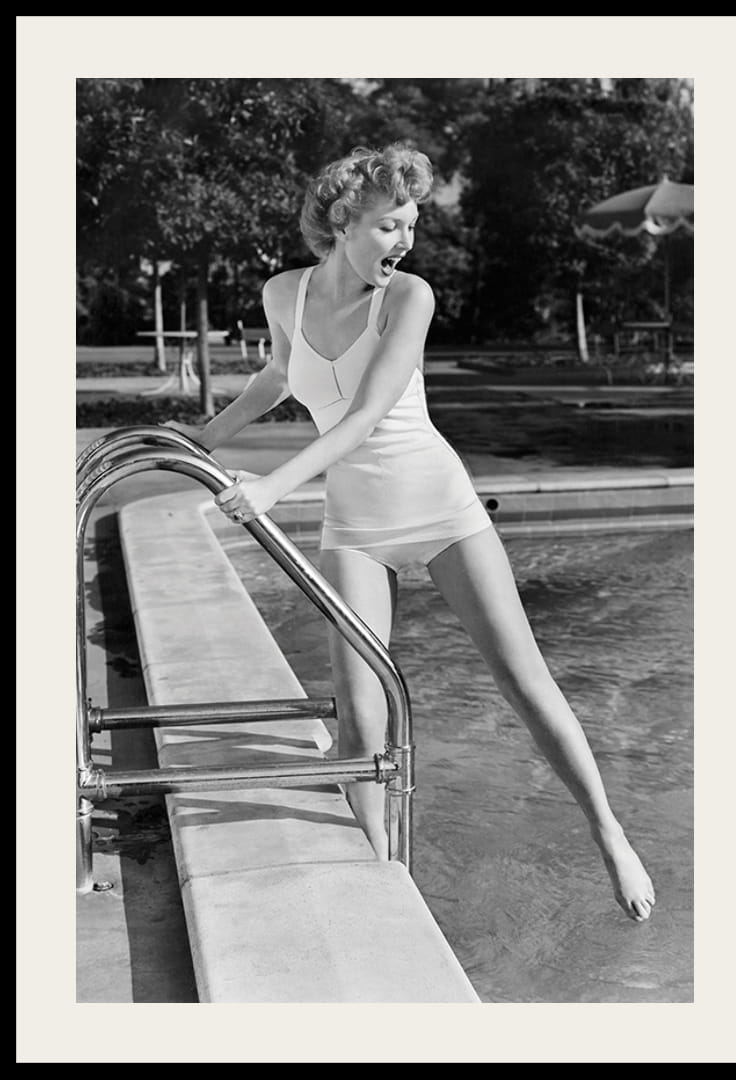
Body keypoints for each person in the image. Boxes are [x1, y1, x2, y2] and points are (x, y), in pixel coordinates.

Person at [166, 144, 656, 922]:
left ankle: (607, 832)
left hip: (437, 506)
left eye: (411, 225)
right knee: (360, 713)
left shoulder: (408, 297)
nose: (405, 241)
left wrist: (274, 485)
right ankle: (380, 877)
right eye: (389, 225)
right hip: (355, 521)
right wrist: (205, 437)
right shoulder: (283, 292)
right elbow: (278, 376)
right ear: (341, 222)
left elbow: (365, 414)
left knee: (521, 681)